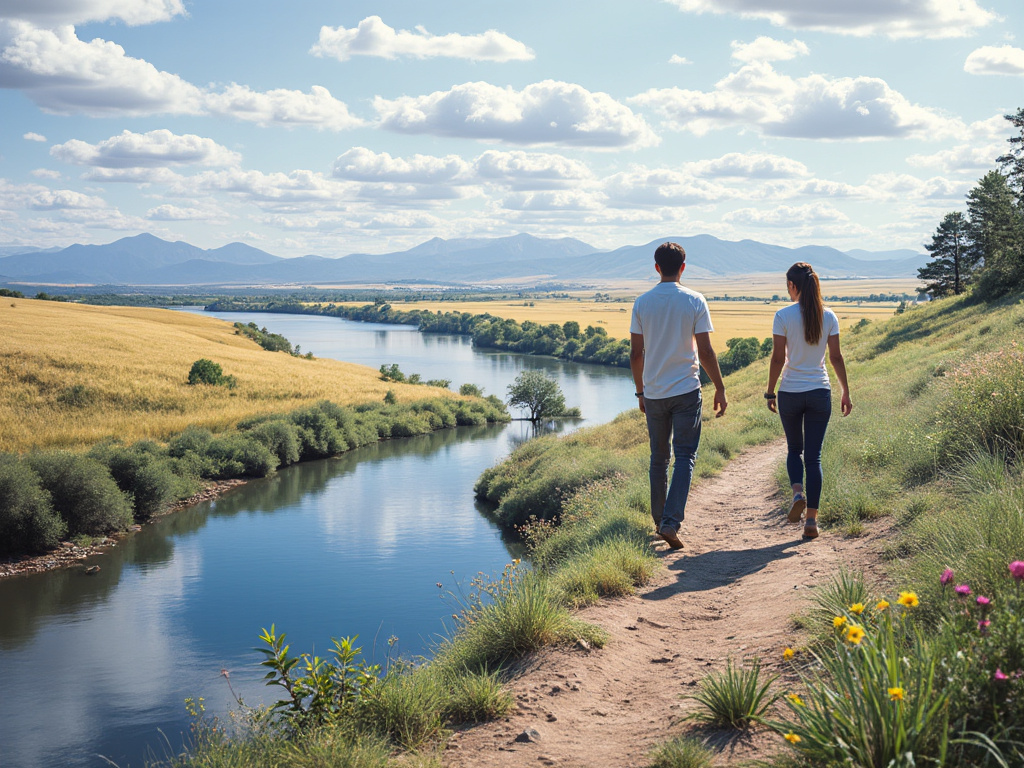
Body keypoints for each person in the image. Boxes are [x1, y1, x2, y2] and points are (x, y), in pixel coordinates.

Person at [629, 242, 727, 550]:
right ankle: (670, 523)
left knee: (658, 459)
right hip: (686, 389)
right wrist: (720, 387)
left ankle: (660, 522)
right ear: (683, 267)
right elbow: (707, 350)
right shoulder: (695, 300)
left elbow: (635, 354)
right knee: (685, 456)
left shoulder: (642, 303)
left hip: (655, 392)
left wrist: (640, 392)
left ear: (656, 267)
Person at [765, 262, 852, 540]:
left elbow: (778, 358)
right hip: (819, 392)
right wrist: (845, 391)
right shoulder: (829, 317)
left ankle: (797, 492)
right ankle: (811, 522)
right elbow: (836, 357)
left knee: (794, 450)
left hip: (790, 392)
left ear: (793, 286)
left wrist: (770, 391)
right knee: (813, 458)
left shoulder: (783, 316)